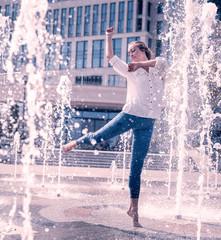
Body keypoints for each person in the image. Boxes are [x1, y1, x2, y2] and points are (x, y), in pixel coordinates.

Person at [62, 26, 168, 227]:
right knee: (99, 137)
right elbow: (110, 56)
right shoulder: (129, 70)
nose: (131, 55)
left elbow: (162, 62)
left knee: (136, 167)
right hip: (130, 115)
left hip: (149, 121)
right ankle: (75, 142)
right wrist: (108, 36)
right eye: (129, 53)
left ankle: (133, 209)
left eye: (133, 51)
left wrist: (140, 65)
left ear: (143, 50)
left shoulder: (157, 68)